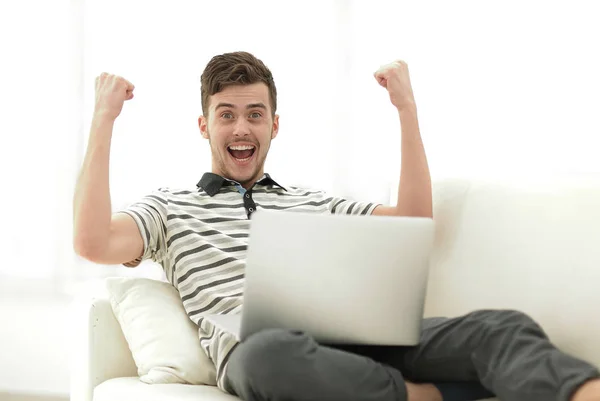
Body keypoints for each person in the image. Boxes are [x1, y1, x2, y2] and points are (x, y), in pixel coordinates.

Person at [73, 51, 600, 401]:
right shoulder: (170, 206)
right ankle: (423, 395)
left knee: (497, 328)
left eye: (255, 114)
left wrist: (406, 108)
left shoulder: (312, 200)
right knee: (269, 354)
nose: (241, 127)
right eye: (226, 114)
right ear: (203, 125)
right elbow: (94, 241)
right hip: (264, 355)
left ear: (274, 126)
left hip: (356, 344)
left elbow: (412, 224)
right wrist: (103, 119)